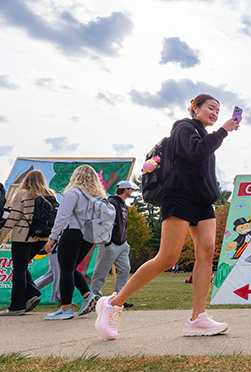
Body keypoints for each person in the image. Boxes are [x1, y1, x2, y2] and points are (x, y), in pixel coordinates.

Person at [95, 93, 240, 340]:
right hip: (180, 196)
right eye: (210, 108)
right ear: (194, 108)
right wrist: (224, 130)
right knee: (168, 257)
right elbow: (196, 153)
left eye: (218, 110)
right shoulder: (184, 127)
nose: (215, 113)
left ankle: (197, 318)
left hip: (202, 200)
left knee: (205, 252)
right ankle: (113, 303)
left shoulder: (204, 135)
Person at [43, 164, 106, 320]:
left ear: (75, 176)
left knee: (65, 269)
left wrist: (52, 237)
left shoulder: (73, 192)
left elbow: (62, 217)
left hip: (72, 232)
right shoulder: (97, 196)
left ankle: (65, 309)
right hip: (89, 236)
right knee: (70, 268)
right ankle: (87, 295)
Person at [0, 170, 56, 315]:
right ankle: (30, 294)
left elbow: (13, 217)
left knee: (19, 269)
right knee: (22, 266)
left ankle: (17, 306)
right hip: (42, 237)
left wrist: (0, 238)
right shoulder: (50, 194)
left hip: (23, 236)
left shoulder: (23, 193)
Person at [81, 180, 136, 315]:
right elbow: (103, 223)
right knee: (101, 272)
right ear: (125, 189)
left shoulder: (123, 205)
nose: (132, 191)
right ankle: (95, 299)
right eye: (131, 189)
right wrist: (107, 242)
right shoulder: (112, 202)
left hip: (122, 244)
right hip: (110, 244)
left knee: (125, 269)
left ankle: (119, 298)